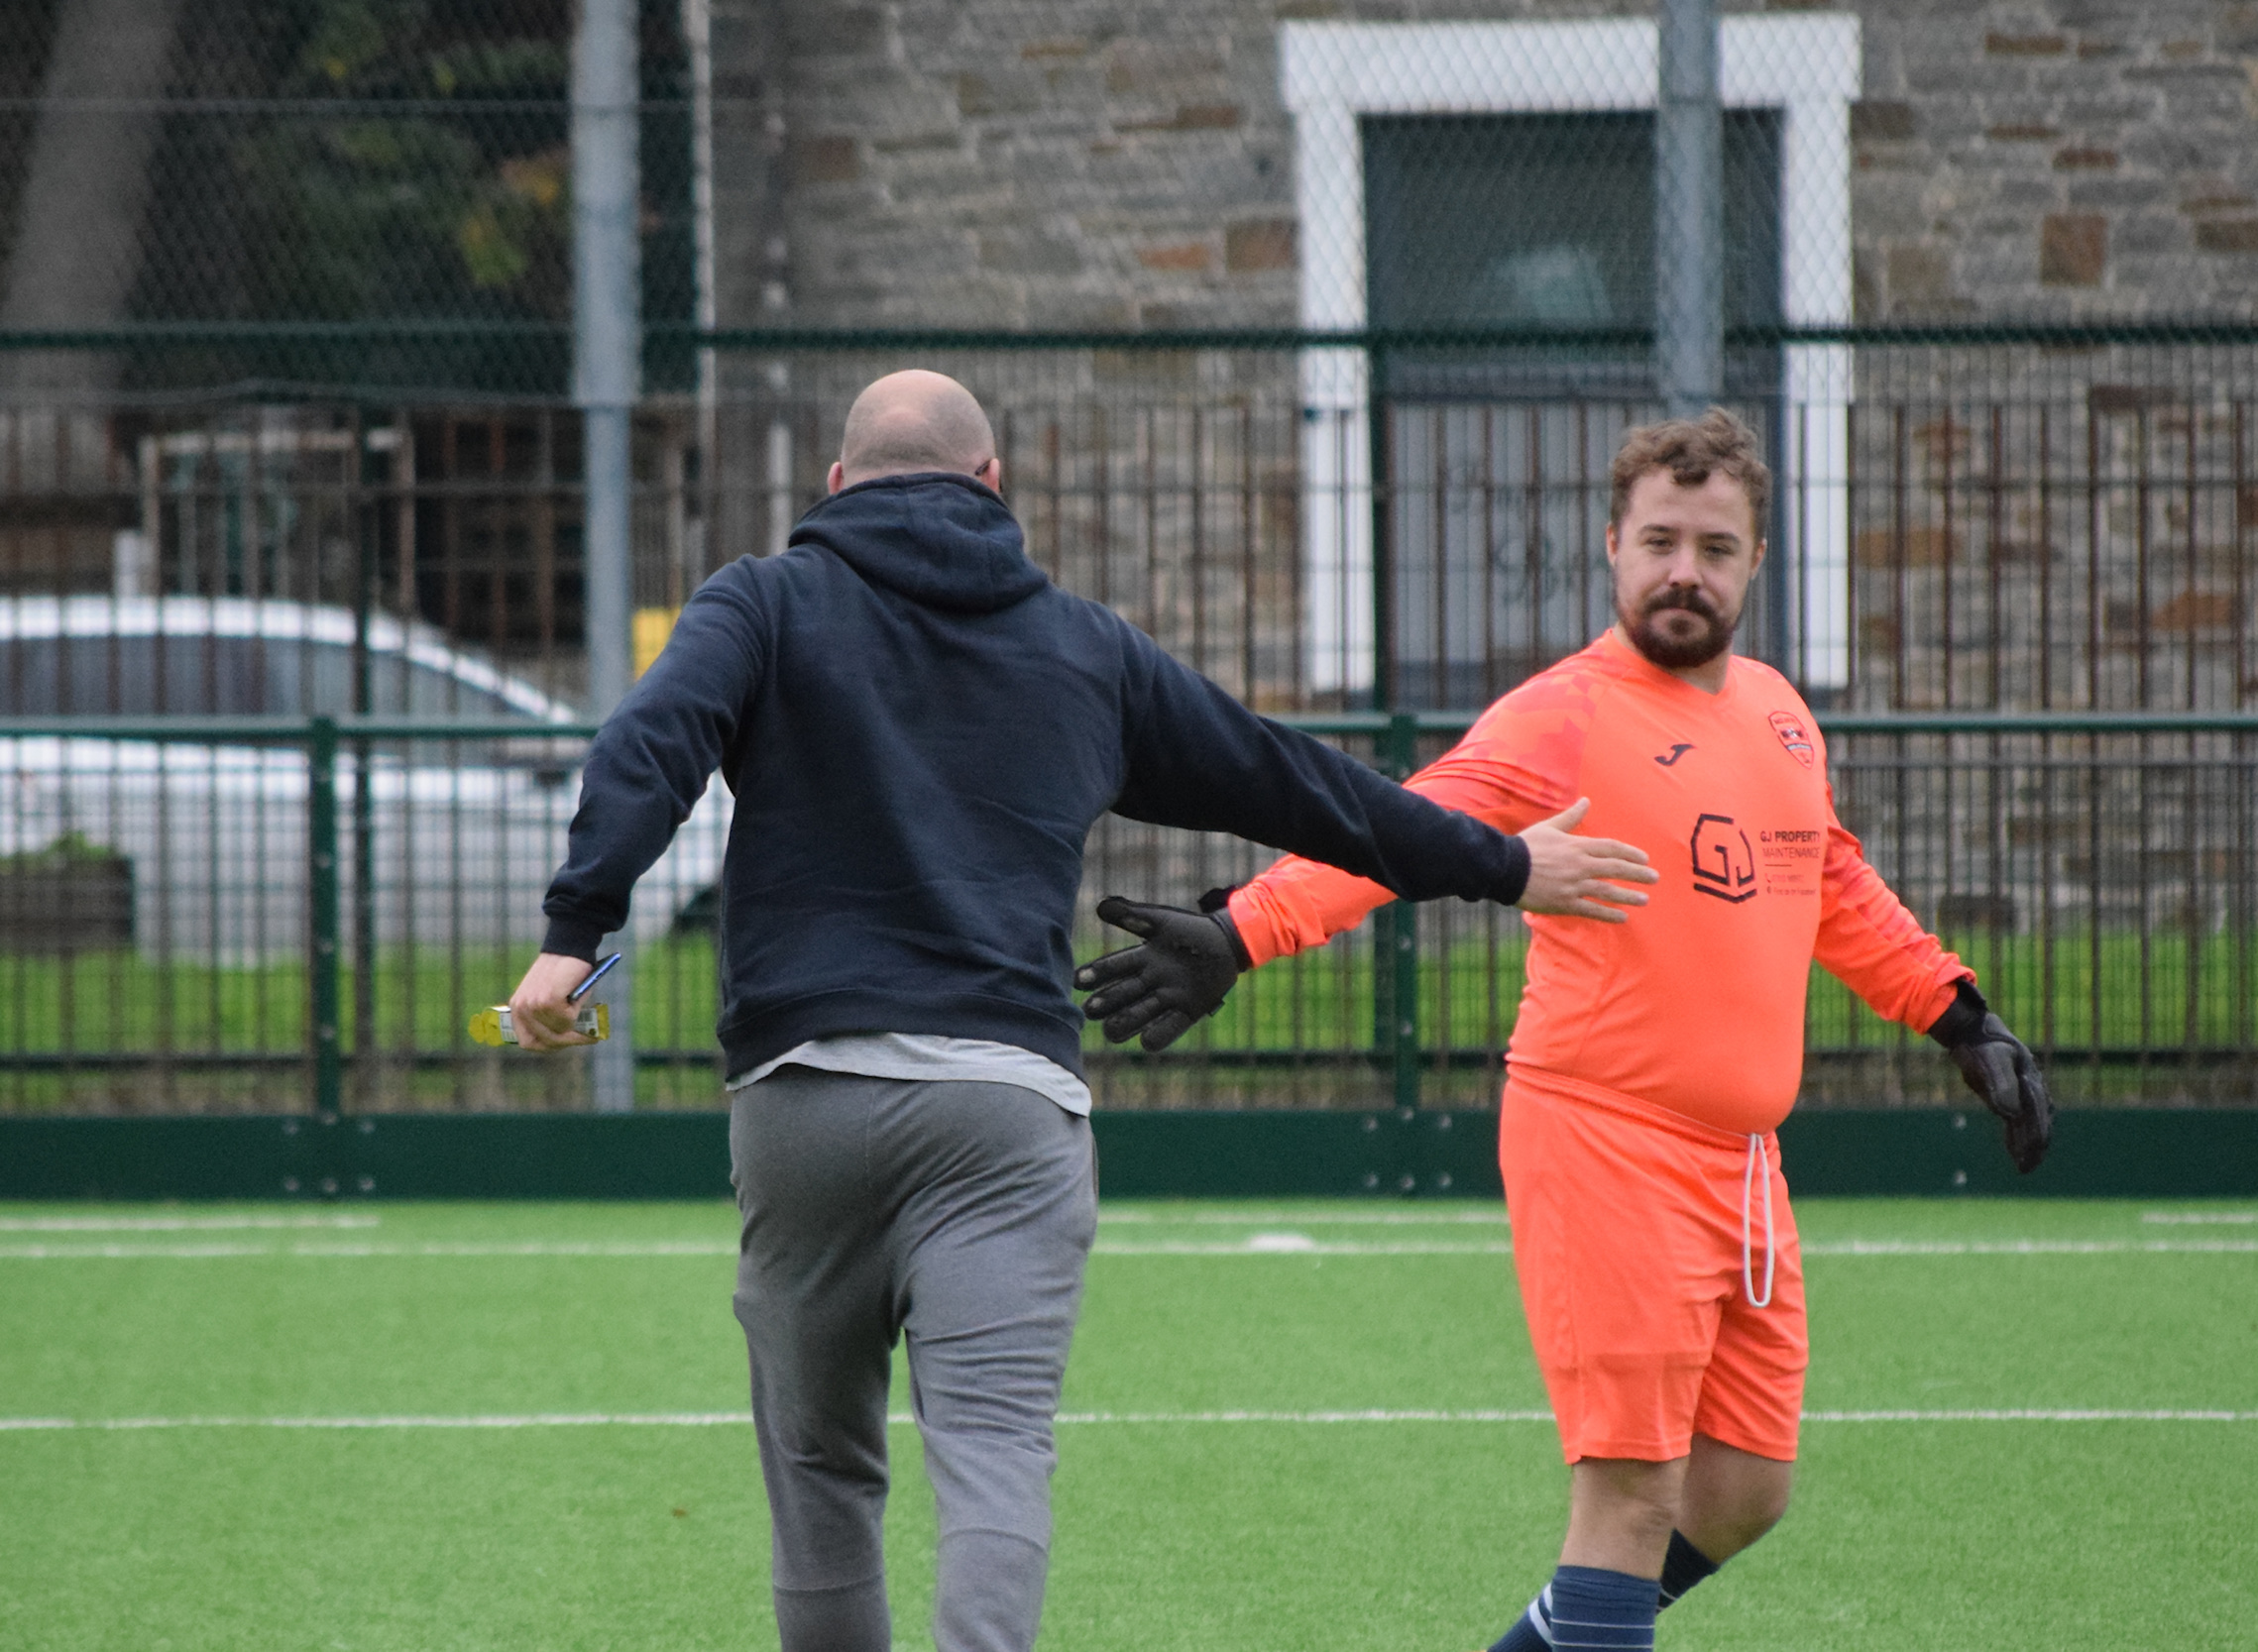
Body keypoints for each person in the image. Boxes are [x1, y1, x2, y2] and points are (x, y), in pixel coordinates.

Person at [497, 370, 1656, 1652]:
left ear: (835, 487)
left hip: (806, 1102)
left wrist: (577, 930)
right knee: (992, 1451)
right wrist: (1502, 861)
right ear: (994, 486)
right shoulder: (1082, 647)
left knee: (824, 1469)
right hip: (1005, 1111)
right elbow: (1298, 782)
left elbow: (651, 736)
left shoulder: (763, 600)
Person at [1075, 408, 2053, 1651]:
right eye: (1658, 541)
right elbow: (1400, 825)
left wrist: (1956, 1013)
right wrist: (1242, 929)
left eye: (1712, 545)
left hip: (1744, 1168)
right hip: (1606, 1139)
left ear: (1756, 561)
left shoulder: (1778, 712)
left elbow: (1835, 884)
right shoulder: (1565, 714)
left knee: (1744, 1489)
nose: (1682, 569)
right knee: (1632, 1497)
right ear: (1611, 548)